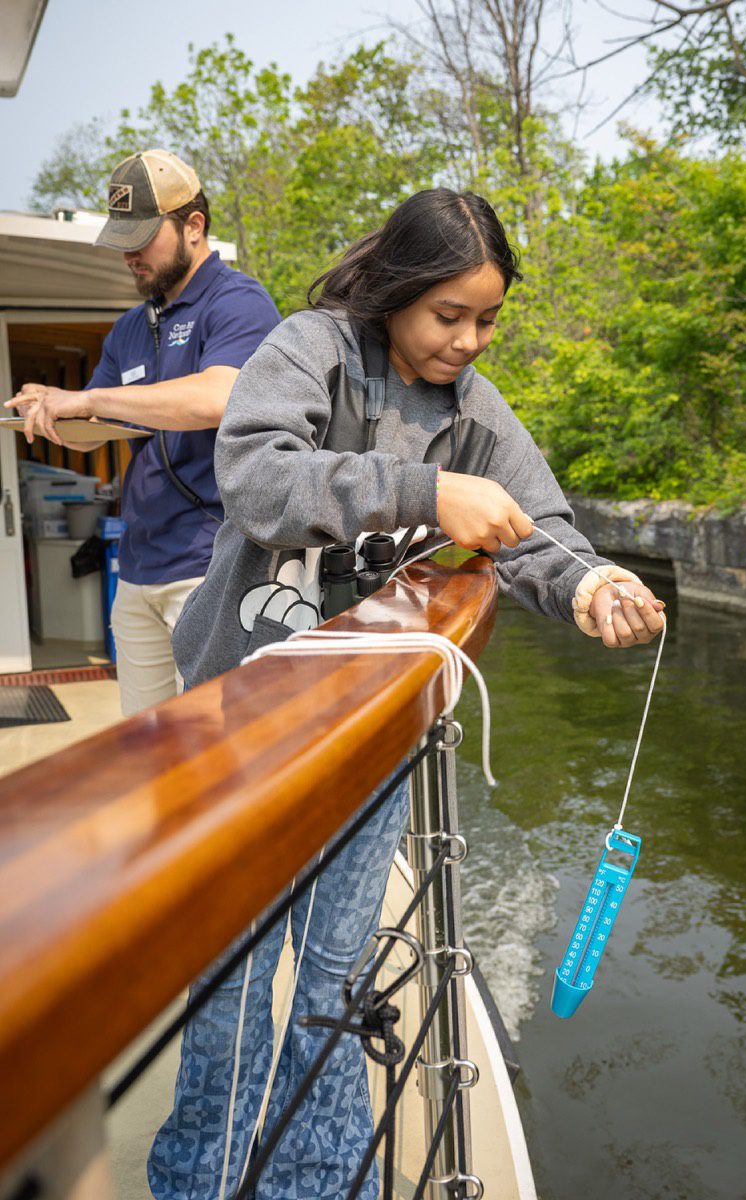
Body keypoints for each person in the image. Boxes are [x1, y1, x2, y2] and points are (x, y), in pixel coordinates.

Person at [150, 188, 665, 1200]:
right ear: (394, 293)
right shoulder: (312, 349)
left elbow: (542, 528)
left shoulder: (478, 412)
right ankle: (196, 1186)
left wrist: (595, 584)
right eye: (449, 316)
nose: (469, 340)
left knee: (335, 986)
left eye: (488, 321)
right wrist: (427, 494)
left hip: (371, 737)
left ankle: (319, 1183)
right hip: (235, 729)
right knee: (232, 994)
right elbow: (256, 477)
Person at [5, 149, 280, 715]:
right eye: (122, 239)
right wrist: (51, 412)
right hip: (137, 570)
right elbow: (96, 429)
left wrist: (88, 397)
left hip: (212, 564)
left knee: (217, 745)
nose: (129, 255)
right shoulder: (130, 326)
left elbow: (219, 397)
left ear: (194, 227)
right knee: (145, 748)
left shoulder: (239, 303)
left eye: (142, 238)